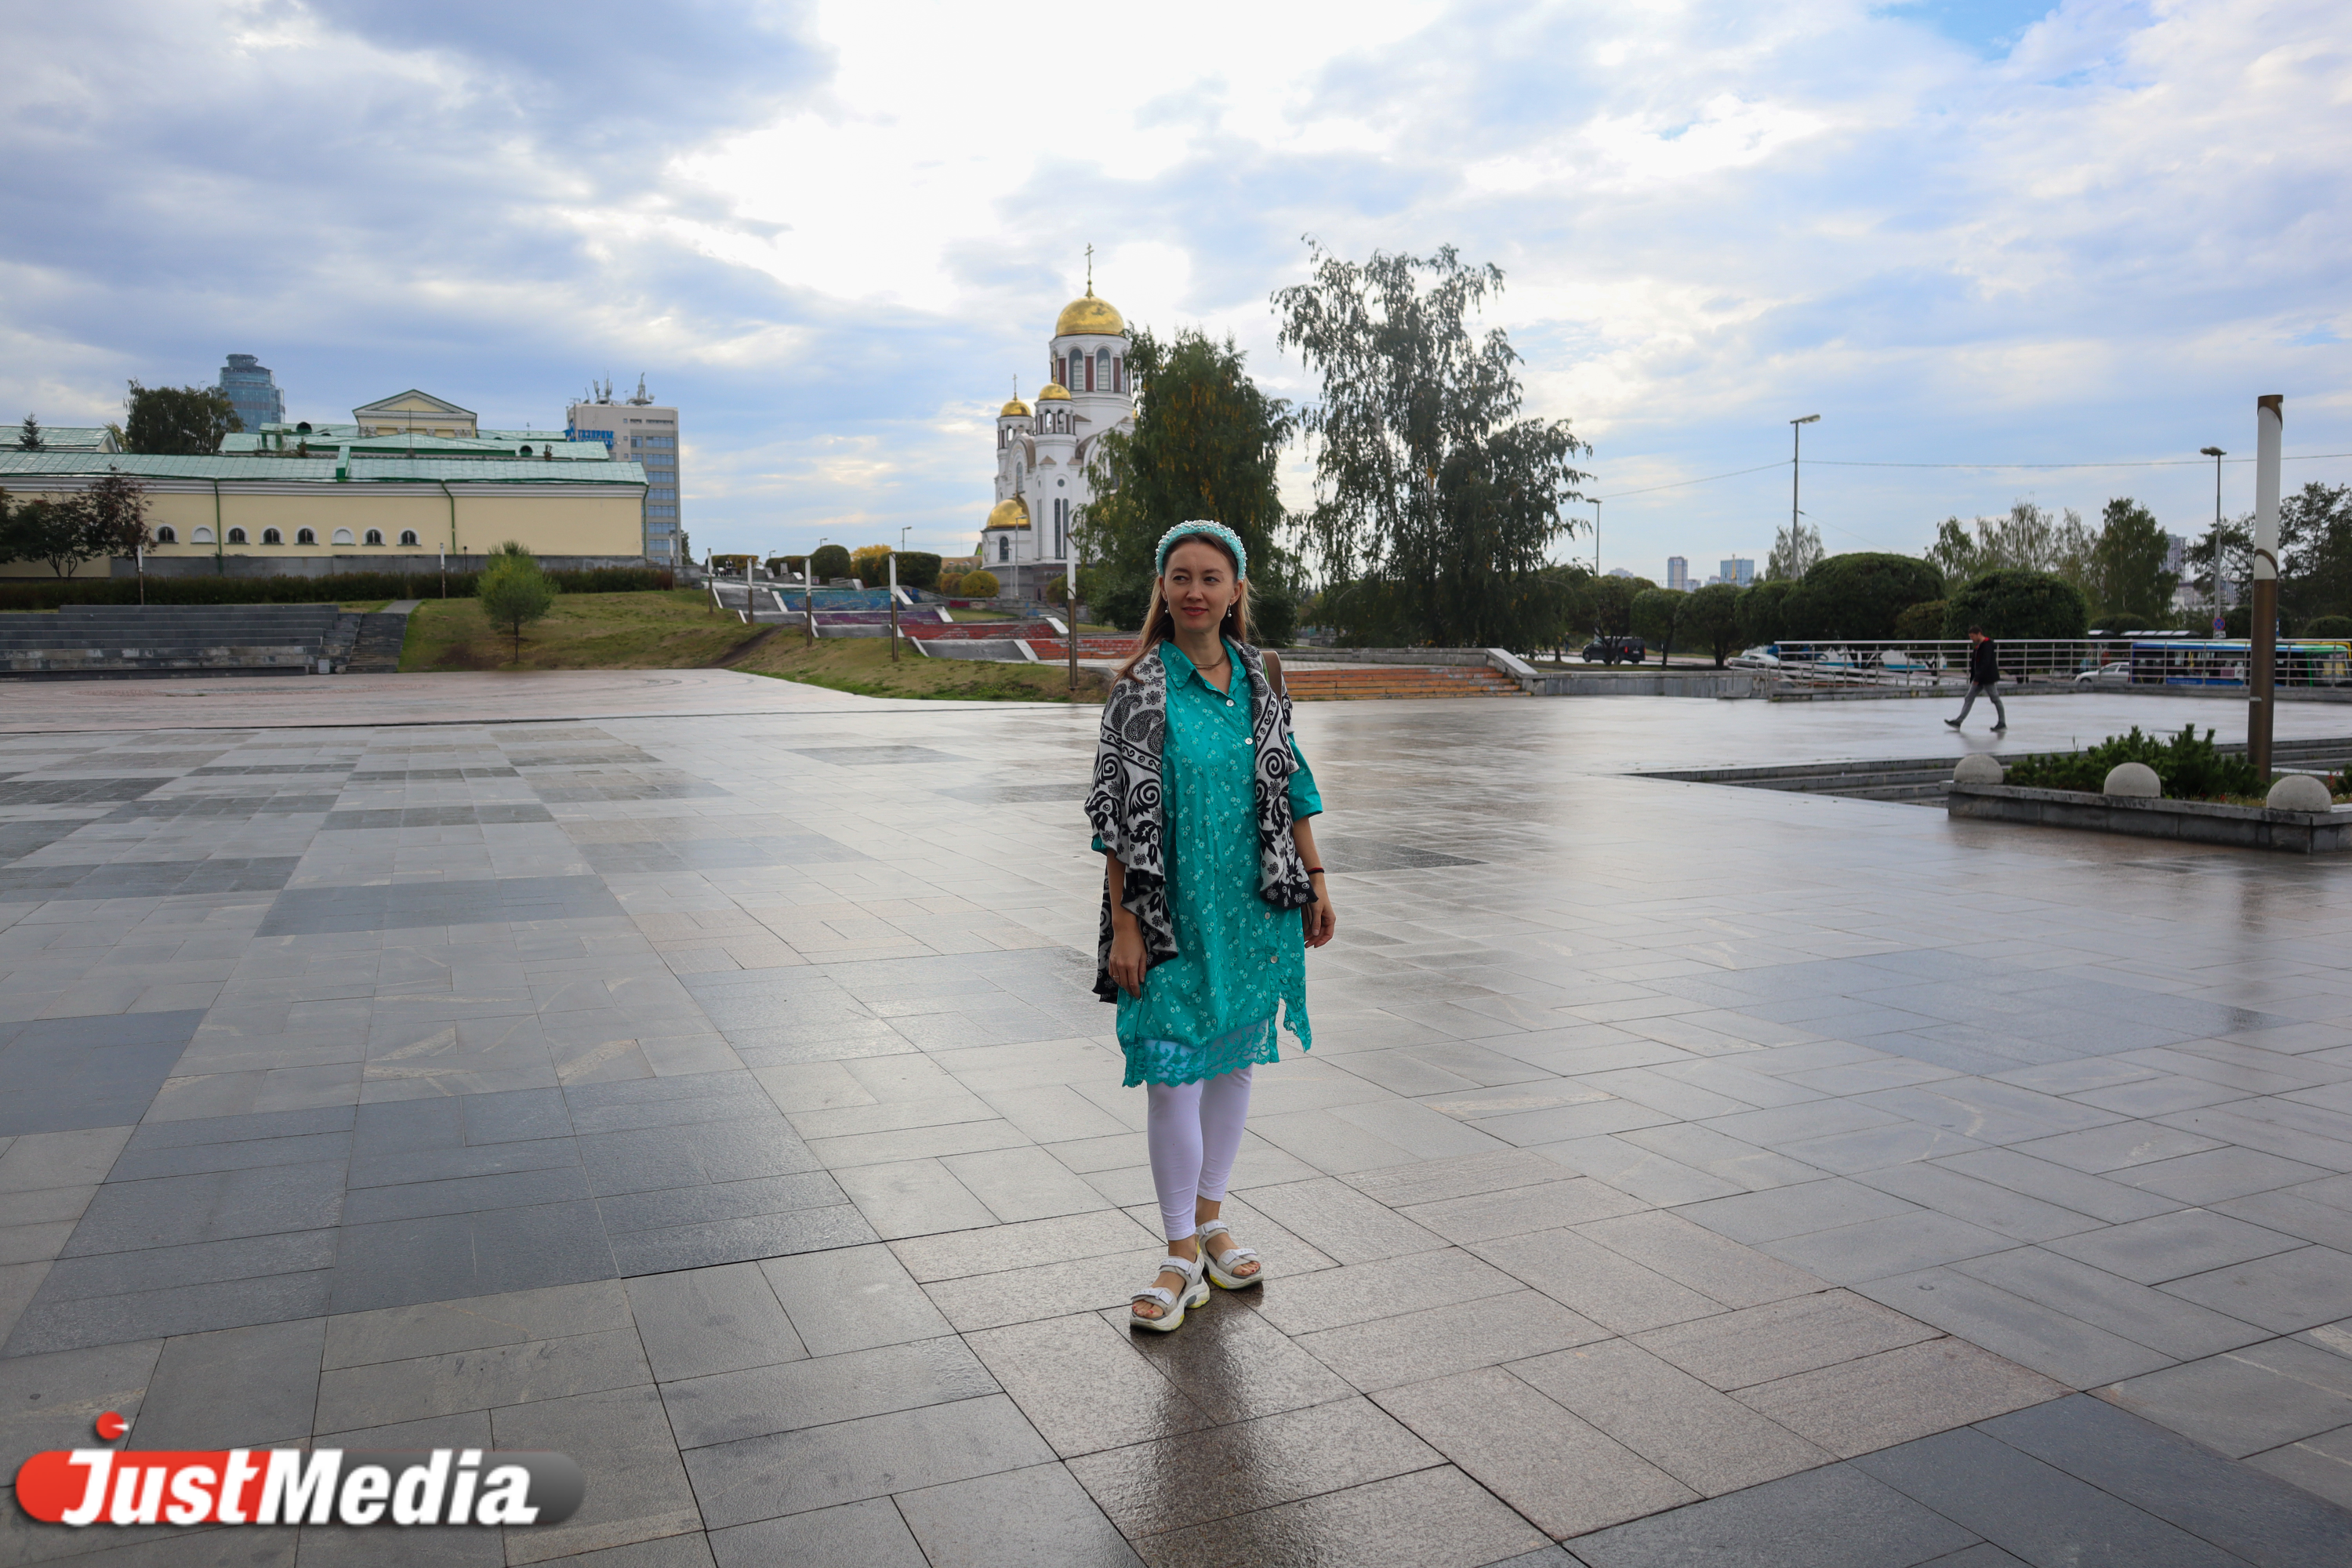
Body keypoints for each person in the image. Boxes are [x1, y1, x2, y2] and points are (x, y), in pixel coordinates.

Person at [1085, 521, 1336, 1333]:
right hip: (1167, 913)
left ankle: (1212, 1215)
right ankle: (1179, 1248)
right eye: (1180, 575)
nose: (1195, 589)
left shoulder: (1261, 679)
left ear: (1235, 590)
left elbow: (1289, 777)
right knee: (1171, 1071)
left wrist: (1316, 878)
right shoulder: (1138, 687)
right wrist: (1127, 925)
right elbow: (1116, 817)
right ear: (1162, 588)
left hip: (1253, 908)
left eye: (1211, 576)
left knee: (1232, 1063)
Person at [1947, 625, 2007, 731]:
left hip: (1987, 678)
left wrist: (1977, 678)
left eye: (1972, 636)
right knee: (1969, 698)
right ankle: (1958, 721)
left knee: (1995, 699)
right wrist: (1975, 677)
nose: (1971, 639)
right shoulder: (1979, 646)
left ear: (1979, 634)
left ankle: (2002, 722)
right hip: (1980, 678)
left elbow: (1985, 663)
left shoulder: (1987, 646)